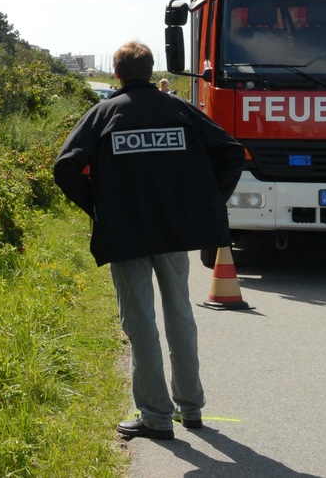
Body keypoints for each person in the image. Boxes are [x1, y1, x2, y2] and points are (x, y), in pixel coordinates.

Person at [53, 41, 243, 441]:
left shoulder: (103, 113)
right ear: (152, 70)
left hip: (126, 233)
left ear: (118, 75)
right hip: (175, 231)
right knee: (180, 316)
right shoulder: (179, 109)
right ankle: (190, 408)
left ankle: (156, 416)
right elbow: (229, 152)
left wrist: (97, 206)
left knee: (140, 322)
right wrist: (206, 203)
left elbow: (65, 166)